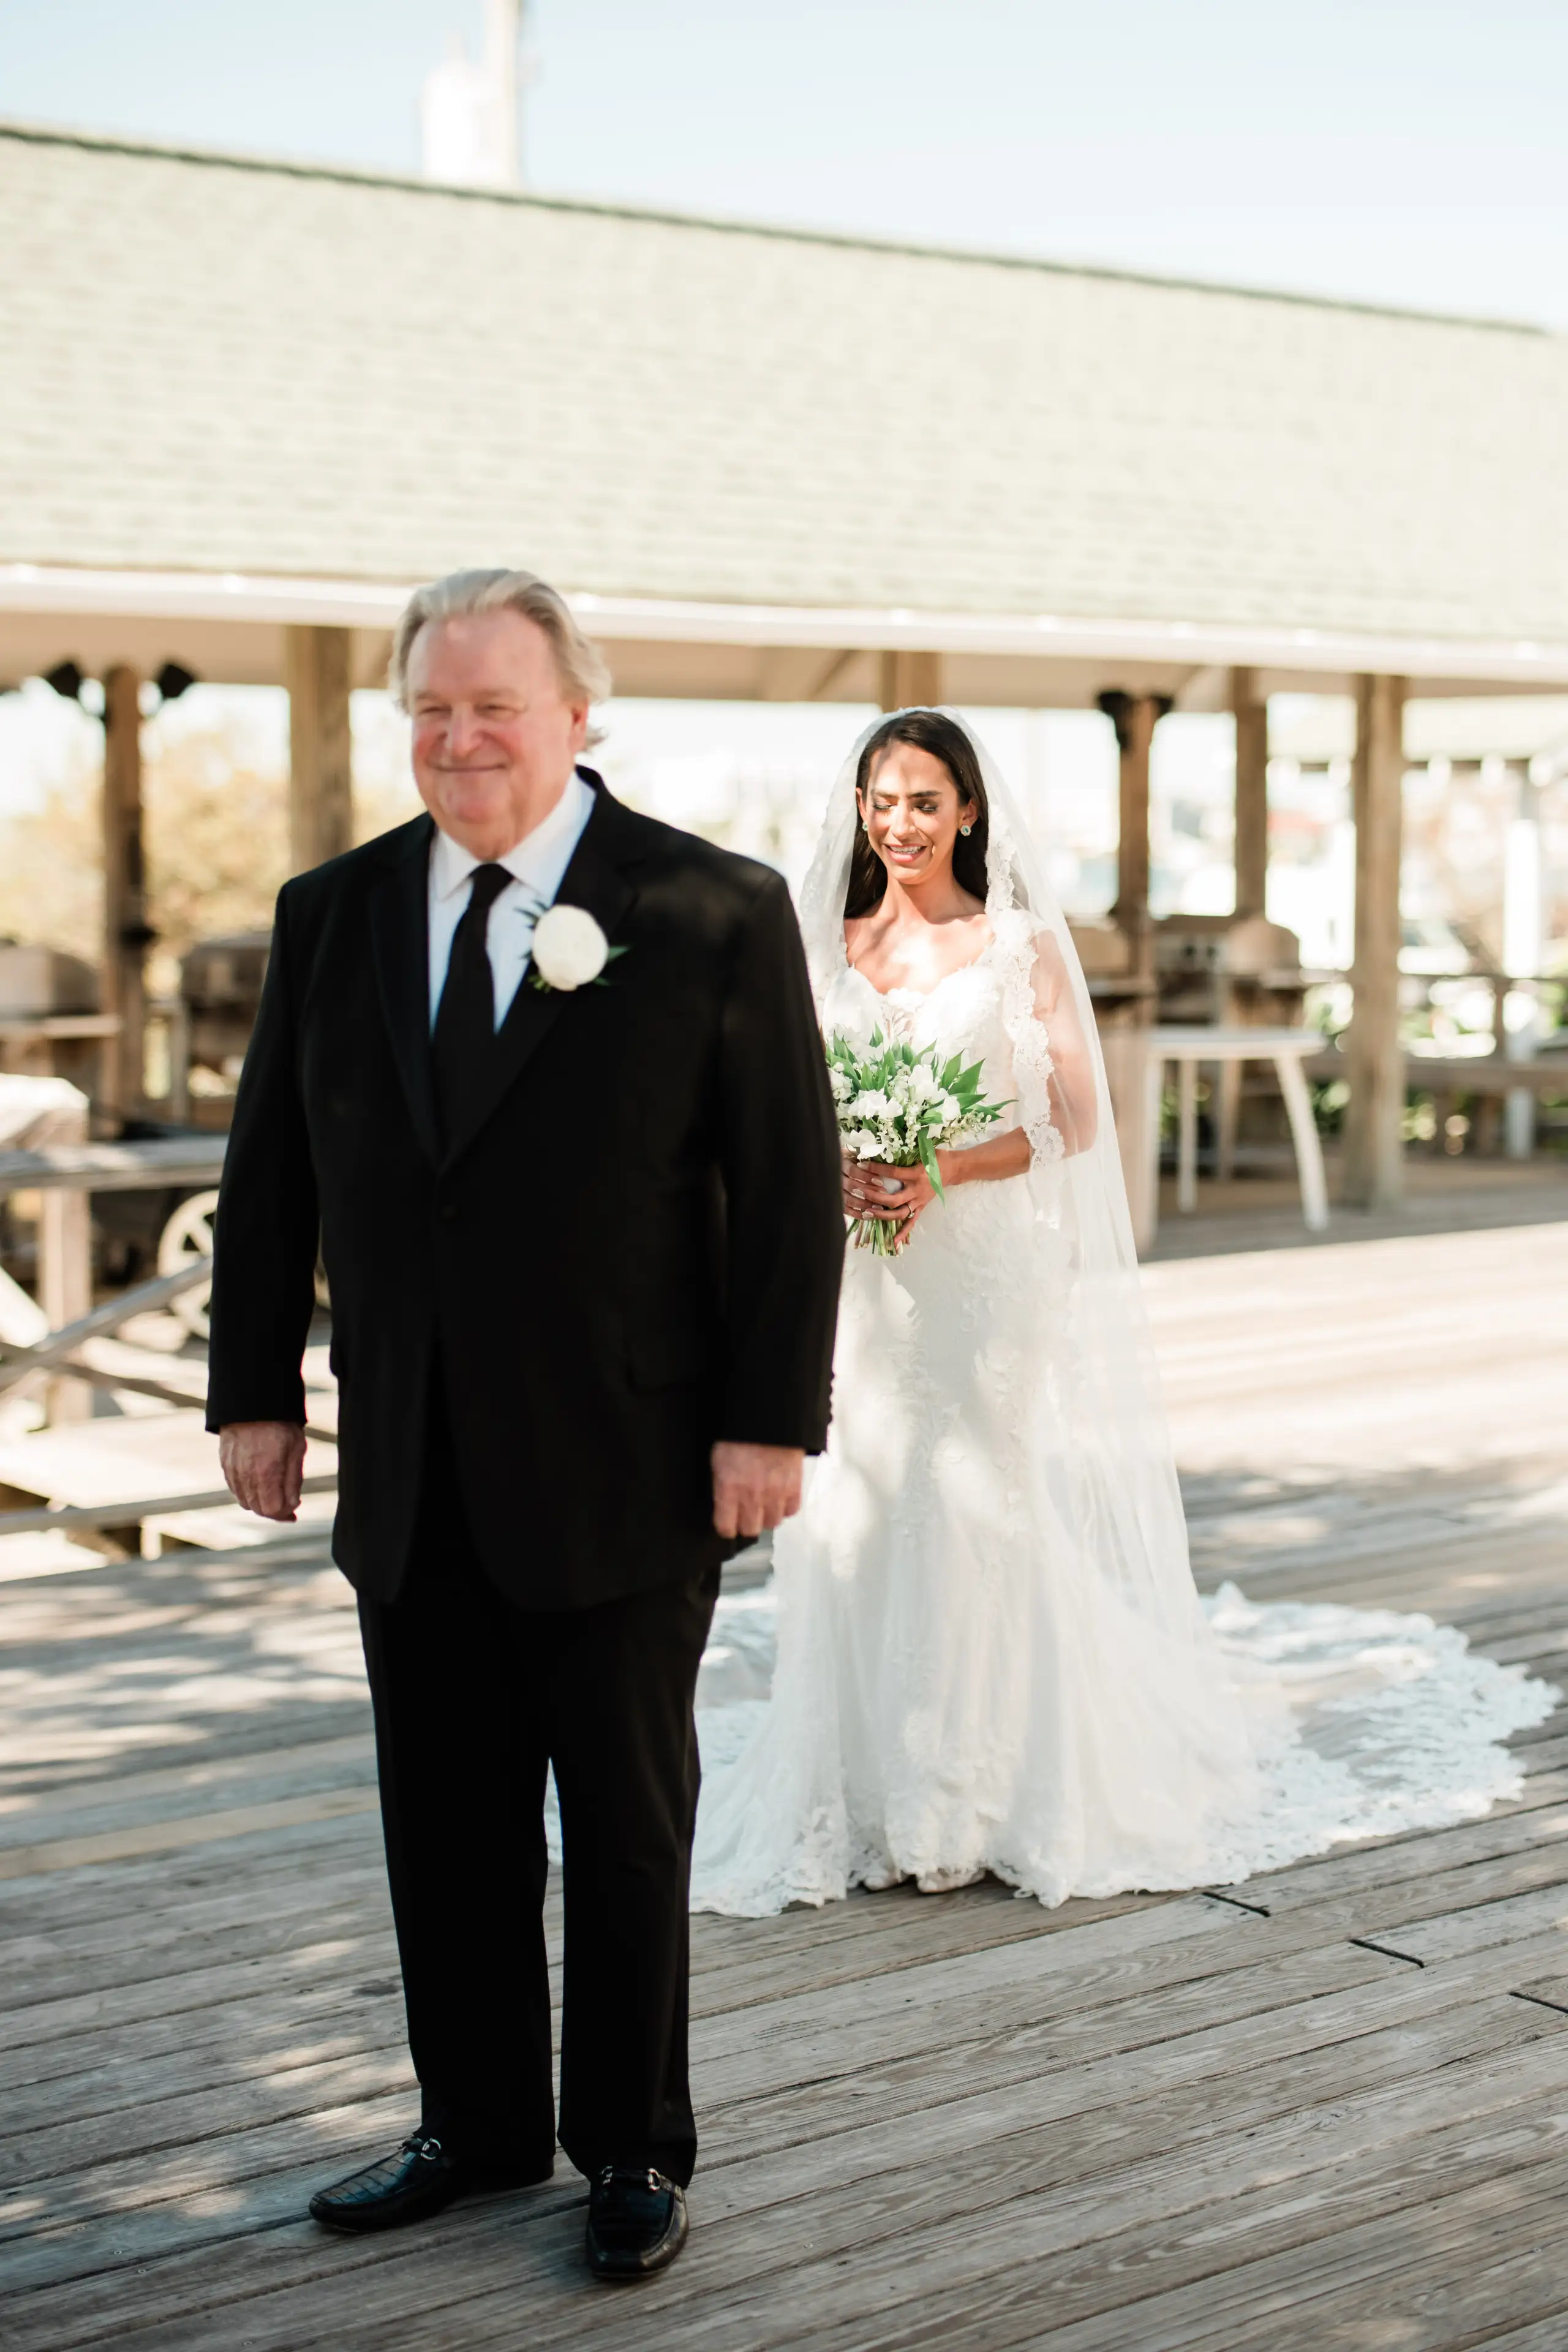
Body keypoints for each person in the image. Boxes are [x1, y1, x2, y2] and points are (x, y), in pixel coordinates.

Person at [207, 568, 842, 2280]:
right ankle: (474, 2127)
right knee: (446, 1817)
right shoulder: (332, 911)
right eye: (433, 706)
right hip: (408, 1458)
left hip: (634, 1458)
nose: (461, 736)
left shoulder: (709, 906)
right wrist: (254, 1387)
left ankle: (631, 2145)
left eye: (497, 704)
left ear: (580, 715)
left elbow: (788, 1195)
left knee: (626, 1822)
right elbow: (271, 1171)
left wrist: (767, 1422)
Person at [690, 707, 1553, 1918]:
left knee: (972, 1494)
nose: (899, 825)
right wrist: (836, 1164)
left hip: (979, 1270)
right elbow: (772, 1104)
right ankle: (857, 1784)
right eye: (881, 801)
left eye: (924, 802)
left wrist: (937, 1164)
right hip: (858, 1271)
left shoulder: (1018, 946)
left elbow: (1072, 1121)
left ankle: (971, 1789)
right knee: (853, 1497)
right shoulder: (818, 948)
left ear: (969, 812)